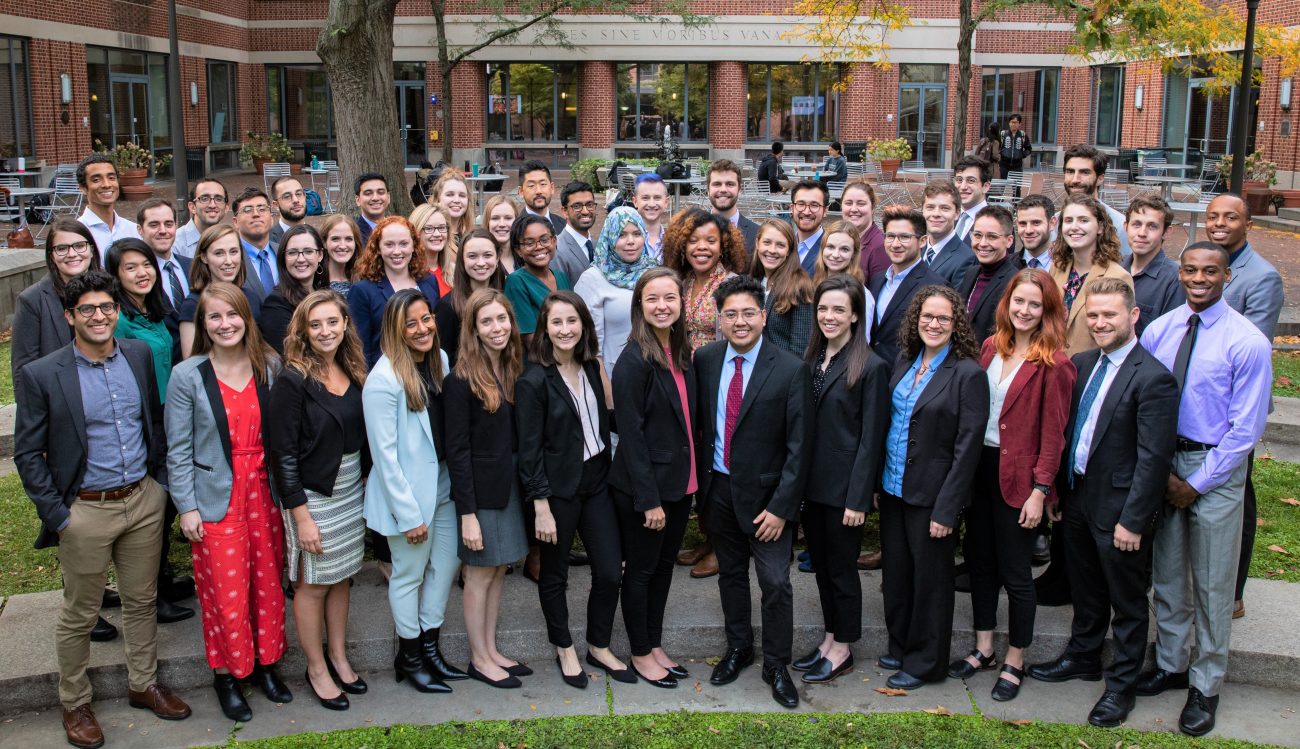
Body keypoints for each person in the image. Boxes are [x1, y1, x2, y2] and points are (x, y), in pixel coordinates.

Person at [14, 270, 192, 749]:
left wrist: (158, 486)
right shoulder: (43, 374)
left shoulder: (135, 354)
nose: (99, 316)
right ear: (70, 316)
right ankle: (75, 703)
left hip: (141, 500)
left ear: (117, 311)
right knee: (80, 613)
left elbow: (152, 420)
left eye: (107, 307)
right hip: (84, 511)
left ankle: (144, 683)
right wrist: (58, 514)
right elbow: (28, 453)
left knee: (141, 602)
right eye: (87, 309)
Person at [1026, 277, 1178, 729]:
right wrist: (1057, 492)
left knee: (1126, 602)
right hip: (1077, 498)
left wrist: (1134, 521)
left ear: (1133, 316)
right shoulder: (1083, 362)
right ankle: (1083, 656)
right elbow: (1070, 430)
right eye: (1093, 315)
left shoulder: (1153, 378)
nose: (1099, 323)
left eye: (1109, 314)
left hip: (1121, 512)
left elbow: (1154, 460)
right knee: (1085, 588)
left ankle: (1121, 686)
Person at [1138, 242, 1272, 737]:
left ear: (1226, 277)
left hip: (1214, 467)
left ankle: (1206, 683)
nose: (1198, 278)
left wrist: (1195, 482)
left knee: (1213, 583)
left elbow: (1245, 430)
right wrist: (1162, 471)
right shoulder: (1160, 329)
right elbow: (1144, 397)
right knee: (1168, 573)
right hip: (1164, 460)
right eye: (1190, 270)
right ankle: (1172, 665)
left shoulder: (1247, 341)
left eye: (1209, 271)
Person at [164, 282, 292, 722]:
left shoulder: (270, 365)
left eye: (232, 315)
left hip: (265, 493)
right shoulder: (188, 375)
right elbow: (177, 449)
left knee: (268, 586)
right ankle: (227, 675)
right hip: (216, 498)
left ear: (246, 319)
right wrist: (187, 507)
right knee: (226, 592)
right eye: (214, 317)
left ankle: (266, 666)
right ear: (203, 324)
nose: (225, 324)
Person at [952, 268, 1075, 701]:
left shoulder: (1055, 363)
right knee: (980, 565)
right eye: (1018, 302)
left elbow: (1054, 435)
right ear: (1007, 304)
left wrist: (1041, 491)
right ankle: (984, 646)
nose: (1024, 311)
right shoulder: (989, 347)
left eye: (1034, 304)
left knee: (1016, 574)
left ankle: (1015, 658)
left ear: (1048, 311)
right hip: (979, 472)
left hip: (1021, 481)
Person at [694, 275, 813, 709]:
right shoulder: (705, 360)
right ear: (719, 320)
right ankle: (739, 647)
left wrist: (782, 508)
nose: (740, 322)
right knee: (730, 574)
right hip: (719, 489)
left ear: (763, 317)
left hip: (769, 500)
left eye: (748, 313)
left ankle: (777, 664)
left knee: (776, 582)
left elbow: (800, 448)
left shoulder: (790, 368)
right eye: (731, 315)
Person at [877, 284, 989, 690]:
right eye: (927, 316)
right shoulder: (906, 360)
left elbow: (967, 448)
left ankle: (927, 662)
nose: (934, 323)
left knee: (931, 583)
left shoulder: (967, 373)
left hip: (934, 495)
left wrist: (948, 509)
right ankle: (903, 643)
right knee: (898, 573)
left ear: (956, 323)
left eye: (943, 317)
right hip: (893, 487)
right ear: (916, 320)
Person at [516, 292, 627, 690]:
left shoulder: (593, 368)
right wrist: (540, 506)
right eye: (557, 322)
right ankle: (564, 646)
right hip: (558, 491)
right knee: (555, 573)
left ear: (583, 325)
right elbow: (528, 453)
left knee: (611, 570)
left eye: (572, 321)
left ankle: (598, 644)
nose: (565, 330)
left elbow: (610, 421)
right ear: (545, 328)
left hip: (597, 481)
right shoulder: (533, 381)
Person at [267, 290, 370, 713]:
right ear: (303, 331)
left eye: (333, 322)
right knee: (312, 585)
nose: (325, 331)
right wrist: (302, 516)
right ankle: (315, 667)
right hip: (313, 496)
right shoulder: (293, 380)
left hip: (350, 491)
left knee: (342, 576)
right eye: (316, 324)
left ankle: (339, 656)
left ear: (345, 324)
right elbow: (282, 455)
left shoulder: (352, 368)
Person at [362, 289, 462, 695]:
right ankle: (410, 657)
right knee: (407, 575)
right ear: (395, 329)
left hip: (443, 484)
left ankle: (431, 648)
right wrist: (409, 515)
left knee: (446, 565)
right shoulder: (382, 382)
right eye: (411, 323)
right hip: (407, 496)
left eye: (426, 319)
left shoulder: (438, 361)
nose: (422, 329)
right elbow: (384, 459)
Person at [793, 275, 889, 684]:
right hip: (812, 488)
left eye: (839, 310)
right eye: (824, 309)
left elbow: (871, 439)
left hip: (844, 491)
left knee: (842, 571)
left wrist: (858, 499)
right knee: (824, 569)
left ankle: (844, 648)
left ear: (855, 316)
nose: (829, 316)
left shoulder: (871, 366)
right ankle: (830, 639)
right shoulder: (813, 357)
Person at [608, 267, 698, 688]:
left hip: (681, 485)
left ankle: (655, 644)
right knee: (642, 572)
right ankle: (640, 653)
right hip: (648, 491)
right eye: (653, 299)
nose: (662, 307)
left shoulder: (679, 351)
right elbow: (632, 435)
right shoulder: (633, 361)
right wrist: (649, 499)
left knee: (663, 570)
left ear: (681, 305)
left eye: (670, 299)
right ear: (639, 306)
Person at [444, 289, 531, 689]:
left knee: (498, 569)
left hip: (510, 485)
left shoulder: (513, 367)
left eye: (502, 319)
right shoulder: (460, 380)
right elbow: (457, 452)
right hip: (480, 494)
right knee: (479, 573)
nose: (497, 328)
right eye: (487, 322)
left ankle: (492, 649)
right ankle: (478, 658)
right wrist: (467, 514)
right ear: (474, 330)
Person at [107, 238, 196, 623]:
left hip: (166, 415)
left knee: (166, 501)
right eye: (130, 267)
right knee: (152, 505)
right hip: (140, 421)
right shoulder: (120, 320)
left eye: (145, 265)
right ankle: (150, 594)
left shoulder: (155, 311)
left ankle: (162, 578)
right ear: (115, 275)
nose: (141, 272)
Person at [1205, 193, 1284, 620]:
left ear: (1247, 224)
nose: (1219, 223)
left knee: (1238, 496)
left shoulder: (1262, 277)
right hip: (1198, 401)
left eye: (1230, 217)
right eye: (1213, 216)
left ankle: (1233, 589)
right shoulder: (1201, 262)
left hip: (1236, 405)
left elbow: (1254, 348)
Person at [11, 218, 103, 395]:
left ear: (91, 249)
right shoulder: (32, 300)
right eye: (62, 248)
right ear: (51, 255)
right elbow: (23, 369)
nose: (72, 253)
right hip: (59, 399)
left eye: (79, 245)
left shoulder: (109, 290)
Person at [349, 215, 442, 368]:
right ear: (378, 248)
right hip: (389, 376)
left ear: (414, 245)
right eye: (389, 245)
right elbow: (361, 348)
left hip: (429, 370)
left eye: (404, 244)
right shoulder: (363, 291)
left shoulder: (429, 282)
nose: (397, 251)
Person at [575, 206, 656, 379]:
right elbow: (591, 346)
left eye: (636, 233)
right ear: (609, 238)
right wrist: (606, 392)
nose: (631, 241)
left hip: (656, 372)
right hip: (616, 376)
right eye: (621, 235)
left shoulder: (654, 272)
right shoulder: (593, 279)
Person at [1050, 194, 1134, 354]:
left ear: (1100, 227)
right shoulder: (1057, 268)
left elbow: (1121, 337)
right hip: (1052, 365)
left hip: (1088, 369)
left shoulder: (1118, 276)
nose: (1074, 227)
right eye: (1068, 220)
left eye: (1083, 220)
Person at [868, 207, 946, 368]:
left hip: (905, 376)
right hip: (870, 374)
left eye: (904, 237)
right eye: (890, 236)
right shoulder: (876, 280)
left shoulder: (935, 287)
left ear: (922, 241)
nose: (895, 244)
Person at [665, 208, 748, 354]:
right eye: (693, 241)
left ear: (722, 247)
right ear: (683, 247)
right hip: (684, 369)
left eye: (711, 241)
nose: (702, 247)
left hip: (715, 369)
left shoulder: (734, 286)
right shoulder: (683, 283)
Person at [178, 224, 263, 358]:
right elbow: (191, 365)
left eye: (233, 252)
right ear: (204, 257)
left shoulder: (251, 298)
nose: (228, 261)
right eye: (219, 253)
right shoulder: (193, 305)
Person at [437, 228, 506, 370]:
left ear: (498, 258)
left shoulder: (505, 297)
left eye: (487, 255)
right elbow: (445, 362)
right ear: (462, 259)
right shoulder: (447, 307)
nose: (481, 263)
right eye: (472, 256)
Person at [1123, 195, 1186, 337]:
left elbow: (1171, 336)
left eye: (1152, 226)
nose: (1142, 233)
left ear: (1166, 232)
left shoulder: (1174, 279)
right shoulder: (1116, 269)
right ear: (1126, 227)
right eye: (1136, 224)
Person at [260, 224, 328, 355]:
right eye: (292, 253)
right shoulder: (276, 304)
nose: (301, 259)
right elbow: (290, 355)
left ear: (320, 255)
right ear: (283, 258)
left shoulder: (326, 295)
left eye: (308, 251)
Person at [749, 219, 814, 356]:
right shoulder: (753, 282)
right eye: (767, 242)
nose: (772, 250)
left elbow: (800, 348)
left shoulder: (799, 286)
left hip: (782, 371)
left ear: (789, 250)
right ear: (757, 243)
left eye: (780, 245)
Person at [956, 205, 1020, 342]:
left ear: (1009, 241)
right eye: (978, 235)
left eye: (992, 237)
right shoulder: (971, 273)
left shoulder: (1015, 282)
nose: (983, 243)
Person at [505, 213, 572, 342]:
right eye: (529, 243)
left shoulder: (561, 277)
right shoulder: (516, 282)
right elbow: (530, 340)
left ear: (554, 241)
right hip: (540, 359)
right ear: (518, 250)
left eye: (544, 239)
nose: (539, 246)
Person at [1062, 145, 1131, 257]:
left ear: (1100, 179)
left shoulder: (1119, 226)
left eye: (1084, 172)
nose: (1075, 180)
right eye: (1070, 171)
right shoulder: (1055, 223)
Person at [76, 153, 139, 258]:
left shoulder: (133, 230)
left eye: (111, 178)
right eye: (96, 180)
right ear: (83, 188)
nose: (106, 184)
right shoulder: (77, 233)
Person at [136, 198, 191, 311]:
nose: (163, 230)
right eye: (154, 225)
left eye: (168, 224)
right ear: (140, 229)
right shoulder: (135, 275)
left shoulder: (193, 265)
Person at [921, 181, 975, 288]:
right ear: (922, 211)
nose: (936, 214)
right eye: (930, 207)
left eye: (944, 208)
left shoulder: (966, 259)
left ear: (957, 214)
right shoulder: (915, 248)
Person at [233, 187, 278, 304]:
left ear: (271, 218)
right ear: (235, 221)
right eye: (247, 210)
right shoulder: (230, 259)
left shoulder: (284, 252)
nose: (256, 214)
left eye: (262, 209)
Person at [839, 180, 888, 286]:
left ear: (873, 208)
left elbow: (878, 291)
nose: (854, 209)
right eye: (848, 203)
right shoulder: (839, 239)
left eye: (861, 204)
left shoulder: (879, 246)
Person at [707, 159, 760, 256]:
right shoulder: (694, 231)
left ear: (739, 190)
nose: (723, 189)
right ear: (708, 190)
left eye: (730, 184)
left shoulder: (757, 234)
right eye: (717, 184)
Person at [552, 181, 600, 281]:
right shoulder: (557, 250)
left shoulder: (599, 245)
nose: (585, 211)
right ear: (565, 211)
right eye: (577, 206)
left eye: (589, 204)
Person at [409, 203, 455, 297]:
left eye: (442, 228)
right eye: (429, 228)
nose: (437, 234)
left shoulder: (455, 272)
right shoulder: (407, 273)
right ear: (415, 232)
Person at [174, 178, 229, 258]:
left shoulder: (230, 240)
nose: (212, 205)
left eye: (218, 199)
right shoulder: (175, 243)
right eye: (204, 199)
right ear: (192, 207)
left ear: (226, 208)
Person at [790, 180, 828, 275]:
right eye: (801, 204)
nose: (806, 212)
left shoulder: (831, 250)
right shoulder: (784, 244)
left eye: (814, 205)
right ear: (792, 208)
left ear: (825, 211)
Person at [430, 168, 476, 247]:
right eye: (450, 194)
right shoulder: (431, 236)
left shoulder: (471, 237)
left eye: (462, 195)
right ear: (438, 199)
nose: (457, 200)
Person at [518, 160, 567, 234]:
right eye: (531, 185)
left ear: (552, 188)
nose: (538, 191)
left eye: (543, 184)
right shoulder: (515, 228)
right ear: (521, 191)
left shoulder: (564, 226)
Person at [320, 214, 361, 299]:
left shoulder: (365, 278)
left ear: (355, 243)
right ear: (324, 243)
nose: (342, 246)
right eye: (335, 239)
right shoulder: (315, 281)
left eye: (348, 239)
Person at [632, 174, 670, 264]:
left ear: (666, 202)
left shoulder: (673, 240)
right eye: (645, 198)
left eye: (657, 198)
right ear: (635, 201)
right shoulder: (626, 241)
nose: (652, 204)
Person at [480, 193, 522, 273]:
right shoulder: (480, 261)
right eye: (495, 218)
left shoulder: (525, 257)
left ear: (516, 221)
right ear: (487, 222)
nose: (502, 224)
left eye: (508, 218)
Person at [953, 156, 991, 243]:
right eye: (959, 180)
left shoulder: (999, 222)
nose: (963, 187)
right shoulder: (948, 217)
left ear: (985, 187)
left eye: (971, 180)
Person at [1015, 194, 1057, 271]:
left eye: (1036, 222)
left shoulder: (1068, 265)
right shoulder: (1006, 265)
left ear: (1052, 223)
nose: (1028, 230)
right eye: (1023, 224)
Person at [268, 176, 308, 249]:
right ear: (276, 205)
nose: (296, 200)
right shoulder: (268, 241)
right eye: (287, 196)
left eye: (298, 194)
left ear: (304, 196)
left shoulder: (319, 236)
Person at [354, 172, 392, 247]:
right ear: (358, 200)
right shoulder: (353, 234)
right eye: (368, 193)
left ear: (388, 197)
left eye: (381, 192)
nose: (375, 198)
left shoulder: (398, 229)